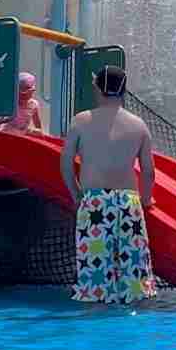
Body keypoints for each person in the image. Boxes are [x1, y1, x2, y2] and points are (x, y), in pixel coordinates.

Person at [60, 65, 158, 304]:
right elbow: (149, 171)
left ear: (97, 89)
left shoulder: (81, 121)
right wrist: (145, 199)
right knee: (136, 281)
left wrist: (76, 195)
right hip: (128, 203)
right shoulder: (139, 125)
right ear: (124, 91)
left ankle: (95, 326)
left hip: (94, 203)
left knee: (94, 281)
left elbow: (64, 164)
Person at [0, 72, 45, 136]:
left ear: (32, 91)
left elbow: (38, 126)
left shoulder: (34, 105)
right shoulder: (11, 103)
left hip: (21, 135)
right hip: (6, 134)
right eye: (20, 95)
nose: (22, 97)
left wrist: (38, 133)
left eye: (25, 94)